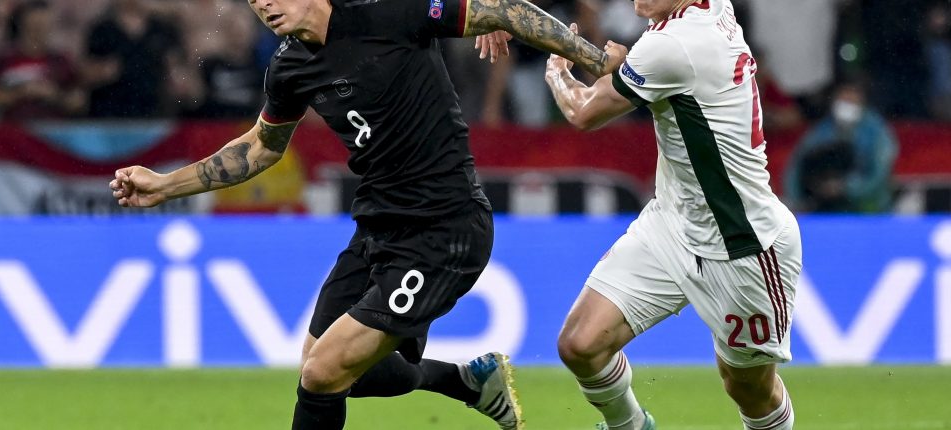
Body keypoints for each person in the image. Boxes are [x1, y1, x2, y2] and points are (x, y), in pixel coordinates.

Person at [110, 0, 618, 429]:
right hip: (377, 227)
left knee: (323, 372)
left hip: (445, 228)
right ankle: (466, 382)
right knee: (320, 367)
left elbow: (503, 10)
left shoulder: (388, 12)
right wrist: (165, 185)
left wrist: (599, 63)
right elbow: (261, 148)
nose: (263, 5)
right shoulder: (290, 67)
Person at [539, 0, 801, 429]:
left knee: (748, 388)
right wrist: (626, 67)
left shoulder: (674, 44)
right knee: (580, 344)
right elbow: (664, 73)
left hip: (742, 243)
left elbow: (583, 110)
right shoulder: (701, 15)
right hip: (672, 223)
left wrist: (556, 68)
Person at [785, 80, 898, 213]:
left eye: (852, 101)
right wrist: (799, 201)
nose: (847, 105)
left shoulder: (877, 132)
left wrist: (846, 187)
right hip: (827, 209)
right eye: (843, 100)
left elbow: (880, 173)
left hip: (871, 209)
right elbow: (796, 168)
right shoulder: (821, 131)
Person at [0, 0, 85, 121]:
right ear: (22, 25)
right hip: (14, 129)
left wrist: (54, 95)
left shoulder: (60, 61)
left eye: (43, 26)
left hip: (52, 129)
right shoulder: (5, 58)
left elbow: (78, 102)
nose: (38, 32)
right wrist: (22, 92)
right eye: (34, 26)